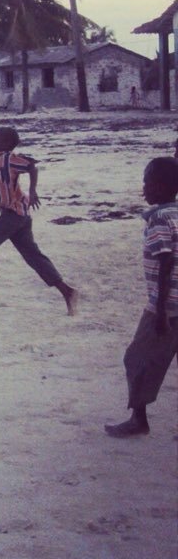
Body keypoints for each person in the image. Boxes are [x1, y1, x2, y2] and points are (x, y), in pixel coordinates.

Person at [0, 126, 78, 313]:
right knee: (33, 256)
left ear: (7, 144)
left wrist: (34, 190)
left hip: (13, 215)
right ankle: (67, 291)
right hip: (21, 215)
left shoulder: (9, 159)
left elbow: (31, 166)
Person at [104, 157, 178, 438]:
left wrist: (159, 311)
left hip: (166, 306)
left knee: (137, 359)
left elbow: (165, 262)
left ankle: (139, 419)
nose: (144, 188)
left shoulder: (159, 218)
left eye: (147, 182)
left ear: (161, 186)